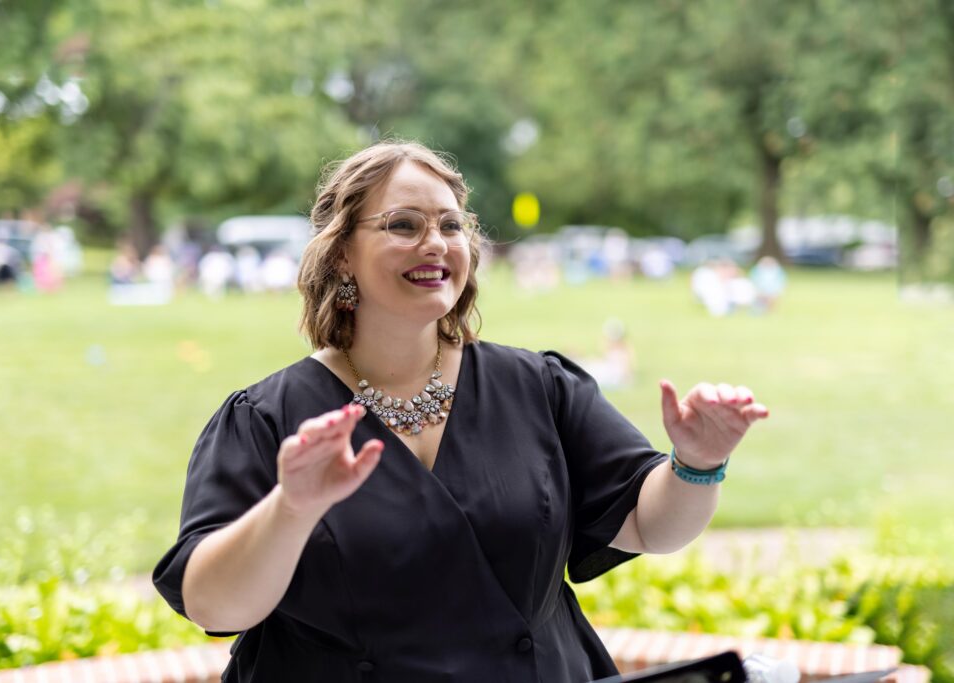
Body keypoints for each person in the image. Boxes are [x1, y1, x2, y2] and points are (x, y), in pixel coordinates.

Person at [152, 141, 770, 682]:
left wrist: (697, 461)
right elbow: (214, 606)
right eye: (403, 224)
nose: (435, 244)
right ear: (340, 253)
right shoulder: (267, 418)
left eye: (450, 225)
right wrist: (292, 509)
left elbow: (649, 526)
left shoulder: (537, 386)